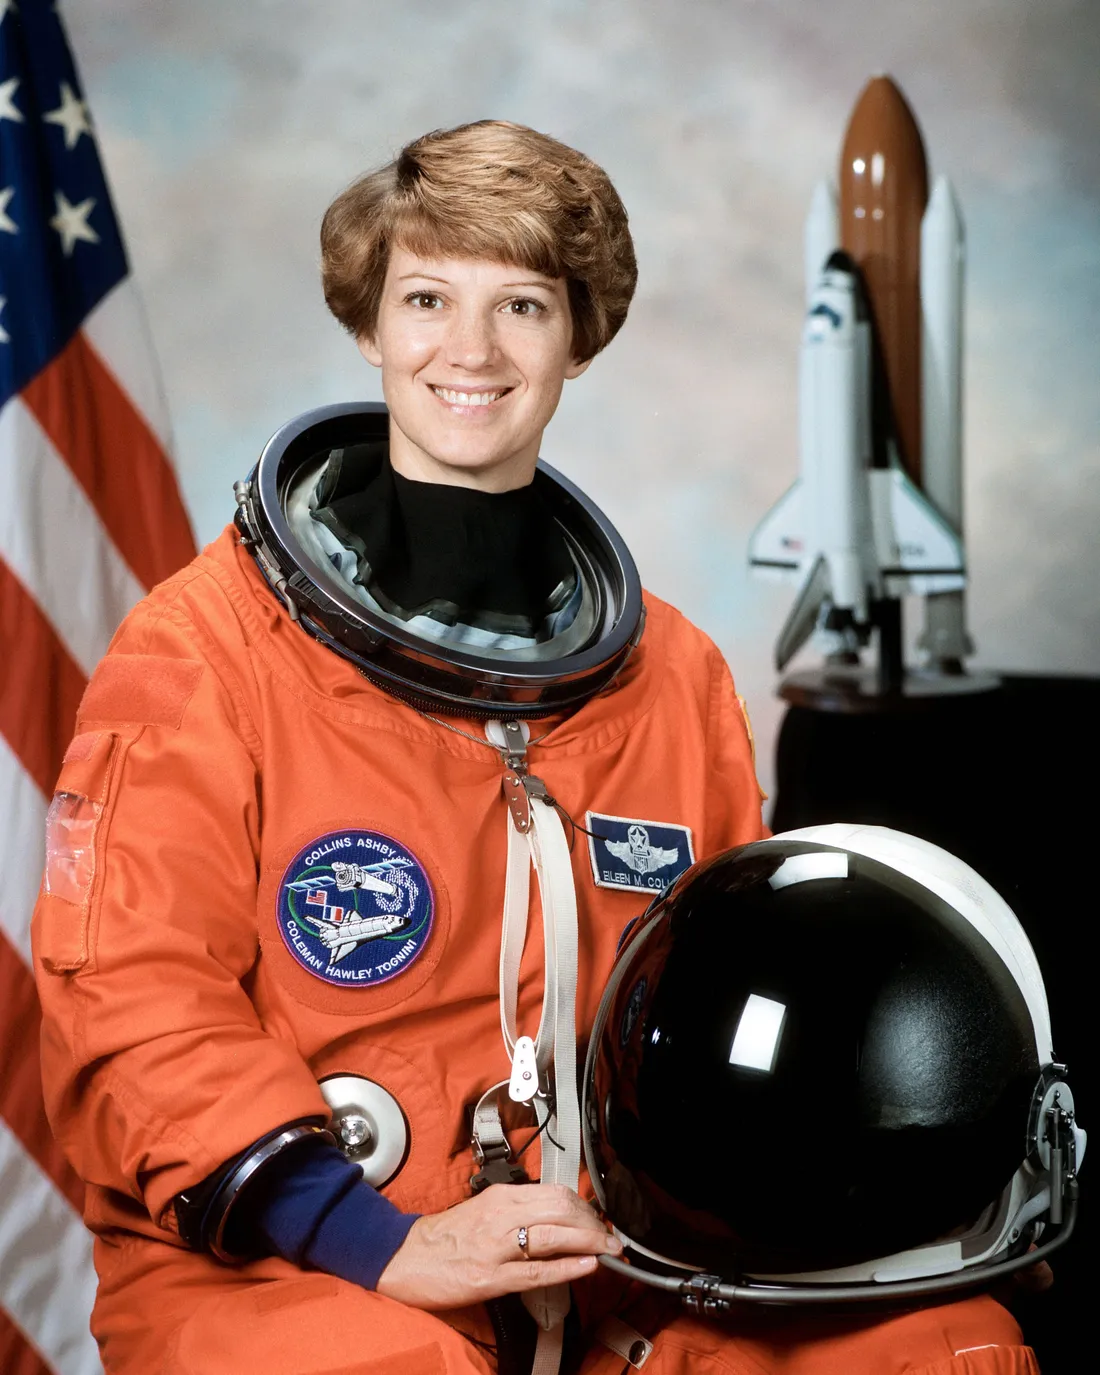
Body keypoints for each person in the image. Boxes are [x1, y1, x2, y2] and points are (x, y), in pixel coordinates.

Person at [33, 121, 1037, 1374]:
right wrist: (378, 1239)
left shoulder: (670, 677)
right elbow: (125, 995)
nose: (470, 349)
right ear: (368, 325)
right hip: (298, 1263)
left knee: (943, 1343)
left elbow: (742, 992)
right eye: (425, 298)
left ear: (577, 340)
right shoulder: (203, 650)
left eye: (521, 304)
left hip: (613, 1252)